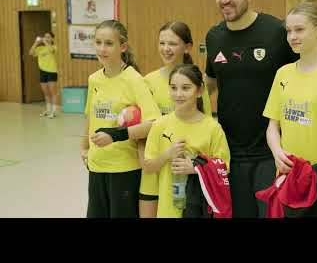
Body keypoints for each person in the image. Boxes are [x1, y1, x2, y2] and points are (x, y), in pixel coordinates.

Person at [205, 0, 298, 218]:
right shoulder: (214, 37)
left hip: (272, 152)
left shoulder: (277, 32)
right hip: (229, 153)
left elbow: (300, 80)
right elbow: (208, 85)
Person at [263, 2, 317, 205]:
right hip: (287, 176)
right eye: (289, 31)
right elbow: (272, 127)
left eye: (299, 30)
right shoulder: (282, 74)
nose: (292, 36)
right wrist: (277, 153)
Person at [80, 19, 160, 218]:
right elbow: (90, 116)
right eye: (98, 42)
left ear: (122, 46)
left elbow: (154, 124)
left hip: (124, 170)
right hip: (97, 166)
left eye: (109, 43)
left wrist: (115, 135)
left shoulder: (134, 80)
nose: (102, 48)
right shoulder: (94, 79)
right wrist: (84, 148)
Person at [138, 21, 212, 218]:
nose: (166, 49)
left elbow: (205, 123)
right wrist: (145, 160)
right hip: (154, 169)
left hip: (184, 172)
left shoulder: (197, 81)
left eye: (172, 43)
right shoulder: (148, 81)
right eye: (162, 43)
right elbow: (141, 128)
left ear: (187, 47)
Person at [143, 64, 230, 218]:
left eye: (185, 88)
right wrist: (167, 154)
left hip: (201, 208)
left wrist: (195, 167)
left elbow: (224, 167)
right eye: (173, 88)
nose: (178, 94)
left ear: (200, 91)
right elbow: (149, 166)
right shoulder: (159, 125)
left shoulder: (212, 128)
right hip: (168, 210)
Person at [29, 32, 59, 118]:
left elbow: (51, 50)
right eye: (45, 37)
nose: (46, 38)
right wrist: (36, 43)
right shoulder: (40, 48)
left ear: (52, 39)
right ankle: (48, 110)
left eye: (48, 37)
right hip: (42, 72)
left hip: (52, 71)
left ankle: (54, 111)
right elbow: (31, 53)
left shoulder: (54, 47)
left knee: (53, 92)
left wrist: (45, 41)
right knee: (46, 93)